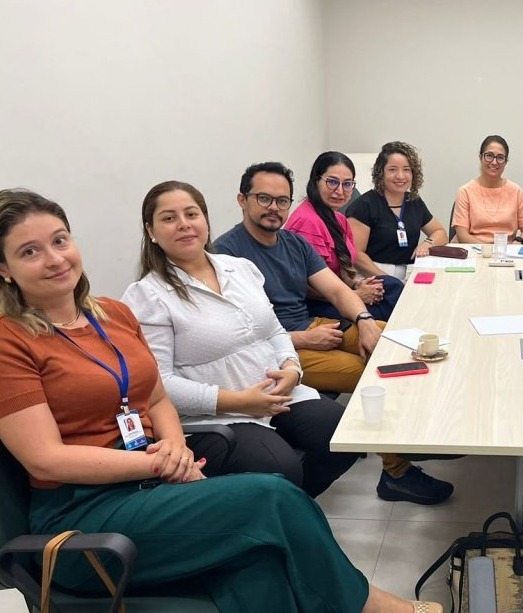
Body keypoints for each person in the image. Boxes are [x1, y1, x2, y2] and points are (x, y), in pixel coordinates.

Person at [0, 188, 441, 613]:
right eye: (30, 251)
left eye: (60, 241)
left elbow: (156, 396)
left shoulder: (111, 314)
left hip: (151, 478)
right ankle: (372, 605)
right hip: (84, 515)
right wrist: (161, 463)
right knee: (273, 498)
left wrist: (174, 448)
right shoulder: (11, 341)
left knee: (262, 560)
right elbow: (46, 460)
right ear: (4, 268)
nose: (55, 258)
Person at [215, 162, 454, 505]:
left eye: (282, 201)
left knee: (397, 342)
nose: (274, 208)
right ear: (243, 200)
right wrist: (301, 339)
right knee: (375, 373)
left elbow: (338, 290)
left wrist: (364, 320)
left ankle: (418, 431)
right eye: (263, 198)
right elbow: (234, 335)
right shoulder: (225, 255)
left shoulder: (293, 243)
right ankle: (397, 473)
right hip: (278, 351)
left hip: (313, 326)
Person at [121, 181, 360, 498]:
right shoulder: (147, 296)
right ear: (151, 231)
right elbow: (159, 384)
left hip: (280, 395)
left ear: (205, 220)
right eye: (169, 218)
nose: (183, 224)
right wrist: (239, 402)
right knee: (281, 467)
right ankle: (280, 506)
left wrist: (292, 369)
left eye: (191, 214)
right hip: (220, 414)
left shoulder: (241, 268)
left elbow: (274, 331)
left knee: (347, 435)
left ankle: (290, 506)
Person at [283, 151, 402, 321]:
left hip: (339, 293)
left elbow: (343, 266)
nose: (339, 191)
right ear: (316, 181)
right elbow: (306, 287)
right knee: (390, 307)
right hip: (314, 303)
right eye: (332, 182)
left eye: (347, 184)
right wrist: (355, 295)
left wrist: (357, 284)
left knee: (392, 285)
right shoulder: (308, 222)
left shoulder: (338, 218)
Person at [347, 142, 449, 281]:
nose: (400, 176)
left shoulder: (413, 201)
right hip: (373, 275)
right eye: (392, 170)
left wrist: (428, 243)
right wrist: (389, 280)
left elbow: (440, 232)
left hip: (408, 271)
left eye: (406, 170)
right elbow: (357, 255)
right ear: (381, 173)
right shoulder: (364, 205)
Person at [453, 135, 523, 244]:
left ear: (506, 162)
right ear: (480, 157)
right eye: (489, 156)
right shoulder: (465, 192)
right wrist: (489, 250)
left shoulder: (516, 191)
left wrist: (519, 241)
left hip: (507, 250)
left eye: (500, 157)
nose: (494, 162)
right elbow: (462, 235)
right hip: (475, 250)